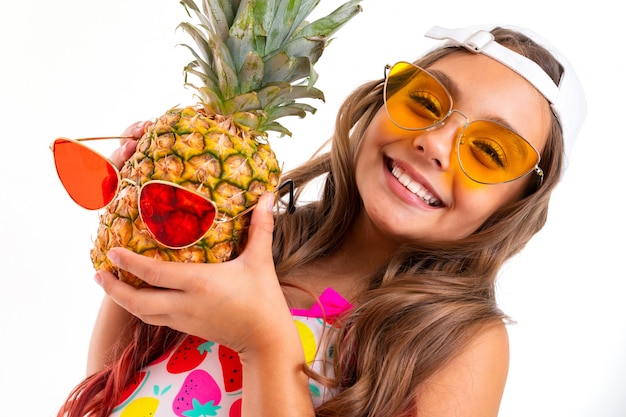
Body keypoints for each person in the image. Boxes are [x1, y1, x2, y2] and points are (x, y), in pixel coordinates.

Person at [58, 23, 586, 417]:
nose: (435, 143)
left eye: (492, 153)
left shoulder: (462, 341)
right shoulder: (258, 237)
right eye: (425, 100)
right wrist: (156, 223)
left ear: (516, 202)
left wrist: (265, 343)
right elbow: (114, 385)